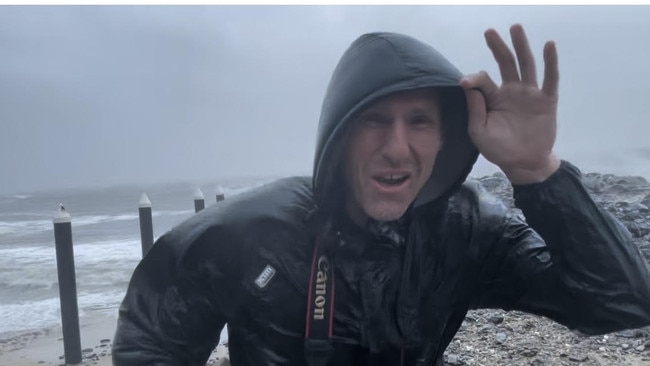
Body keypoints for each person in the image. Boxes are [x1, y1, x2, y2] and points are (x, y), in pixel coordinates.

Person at [112, 24, 650, 365]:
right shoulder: (250, 234)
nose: (396, 148)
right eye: (374, 121)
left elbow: (619, 304)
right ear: (340, 137)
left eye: (419, 122)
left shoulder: (469, 231)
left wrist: (538, 171)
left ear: (447, 139)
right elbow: (151, 344)